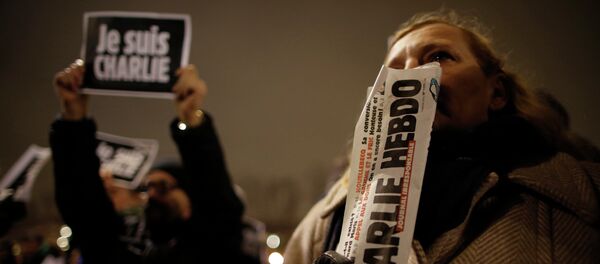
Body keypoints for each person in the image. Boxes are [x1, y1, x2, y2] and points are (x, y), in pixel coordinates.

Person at [284, 10, 600, 263]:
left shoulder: (581, 190)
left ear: (497, 92)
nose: (410, 74)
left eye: (438, 57)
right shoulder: (324, 223)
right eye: (394, 68)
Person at [50, 60, 252, 263]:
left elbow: (216, 201)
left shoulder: (212, 248)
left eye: (164, 187)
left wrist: (192, 122)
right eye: (147, 188)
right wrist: (73, 118)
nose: (153, 195)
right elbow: (84, 210)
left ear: (190, 197)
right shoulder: (125, 251)